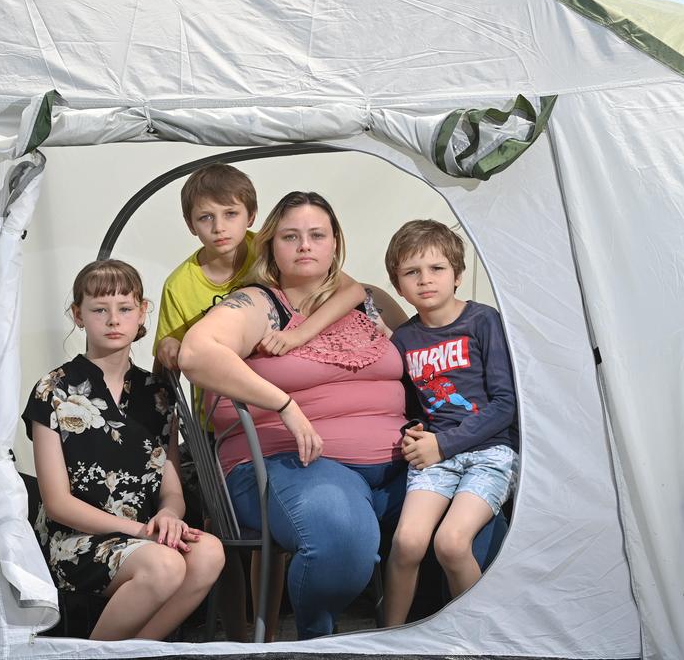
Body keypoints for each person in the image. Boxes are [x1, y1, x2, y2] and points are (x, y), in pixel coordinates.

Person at [177, 191, 408, 640]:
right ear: (270, 247)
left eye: (316, 235)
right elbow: (197, 352)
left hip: (400, 466)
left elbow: (431, 351)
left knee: (480, 513)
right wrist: (284, 404)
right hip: (291, 466)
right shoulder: (258, 304)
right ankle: (316, 643)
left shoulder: (371, 300)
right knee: (339, 535)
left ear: (335, 243)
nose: (305, 245)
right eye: (290, 236)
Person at [23, 259, 224, 641]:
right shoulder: (53, 390)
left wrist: (168, 516)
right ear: (78, 315)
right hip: (75, 542)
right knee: (164, 565)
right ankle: (89, 655)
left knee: (209, 552)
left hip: (145, 538)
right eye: (100, 310)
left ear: (142, 312)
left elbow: (171, 489)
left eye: (125, 308)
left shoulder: (159, 394)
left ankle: (134, 651)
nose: (113, 319)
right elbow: (58, 503)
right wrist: (142, 532)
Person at [379, 220, 520, 627]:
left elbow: (506, 404)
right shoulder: (404, 340)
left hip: (491, 452)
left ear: (457, 275)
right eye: (412, 272)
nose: (425, 280)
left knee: (452, 543)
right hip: (436, 454)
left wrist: (443, 444)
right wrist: (414, 432)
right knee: (407, 542)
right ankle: (389, 639)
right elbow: (412, 408)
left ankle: (478, 637)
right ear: (398, 284)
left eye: (437, 269)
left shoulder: (483, 322)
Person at [154, 163, 365, 371]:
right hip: (220, 391)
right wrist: (169, 346)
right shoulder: (178, 286)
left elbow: (352, 290)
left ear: (252, 216)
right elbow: (167, 355)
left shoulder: (271, 249)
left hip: (285, 368)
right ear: (191, 224)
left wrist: (300, 334)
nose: (219, 227)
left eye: (230, 214)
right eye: (205, 217)